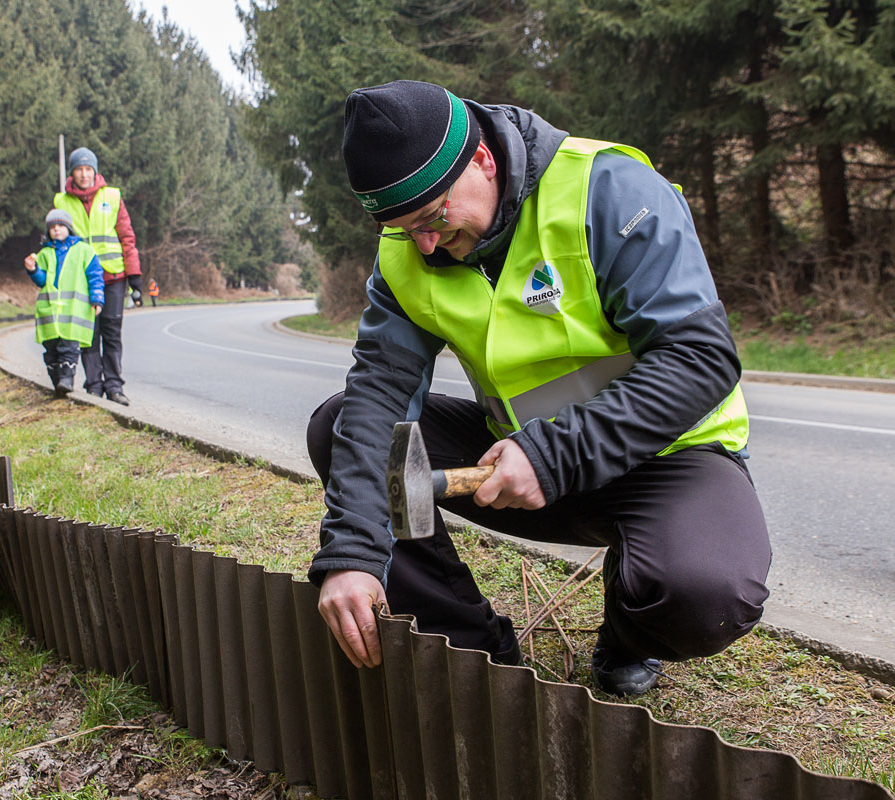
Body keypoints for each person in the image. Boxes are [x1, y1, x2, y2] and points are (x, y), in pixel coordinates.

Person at [308, 80, 771, 696]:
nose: (424, 243)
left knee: (706, 593)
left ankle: (628, 634)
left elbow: (701, 358)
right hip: (519, 468)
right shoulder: (407, 252)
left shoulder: (607, 193)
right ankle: (470, 643)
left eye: (434, 217)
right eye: (402, 227)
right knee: (339, 427)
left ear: (481, 159)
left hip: (668, 459)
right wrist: (354, 555)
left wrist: (553, 453)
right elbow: (378, 403)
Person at [53, 147, 143, 405]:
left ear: (95, 171)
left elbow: (127, 237)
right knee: (88, 334)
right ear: (72, 173)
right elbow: (57, 239)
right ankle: (94, 386)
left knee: (112, 331)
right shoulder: (62, 202)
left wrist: (134, 275)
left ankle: (114, 386)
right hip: (80, 279)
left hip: (114, 276)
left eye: (88, 169)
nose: (84, 175)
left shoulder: (112, 197)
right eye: (79, 170)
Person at [24, 209, 104, 397]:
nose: (57, 230)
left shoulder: (84, 251)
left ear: (69, 228)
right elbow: (42, 280)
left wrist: (97, 298)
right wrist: (33, 269)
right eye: (52, 227)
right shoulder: (44, 253)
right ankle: (57, 382)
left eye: (60, 226)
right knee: (51, 348)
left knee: (69, 347)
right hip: (50, 311)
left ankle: (67, 380)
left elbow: (95, 276)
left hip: (74, 311)